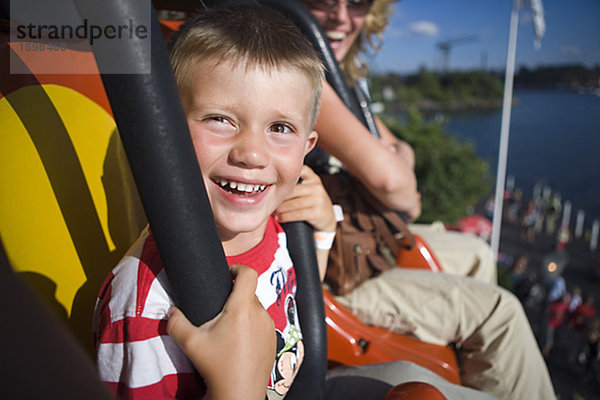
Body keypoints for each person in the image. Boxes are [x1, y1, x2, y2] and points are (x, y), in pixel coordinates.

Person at [93, 5, 496, 400]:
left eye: (280, 128)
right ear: (169, 131)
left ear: (307, 149)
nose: (252, 153)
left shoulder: (269, 226)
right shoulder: (145, 305)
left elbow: (295, 302)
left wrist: (321, 234)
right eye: (220, 119)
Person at [300, 0, 556, 398]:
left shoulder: (344, 82)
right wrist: (396, 170)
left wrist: (397, 166)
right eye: (321, 0)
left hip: (357, 242)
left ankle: (473, 370)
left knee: (476, 253)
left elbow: (401, 153)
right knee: (501, 314)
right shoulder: (303, 75)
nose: (340, 16)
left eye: (357, 3)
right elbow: (394, 182)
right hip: (335, 267)